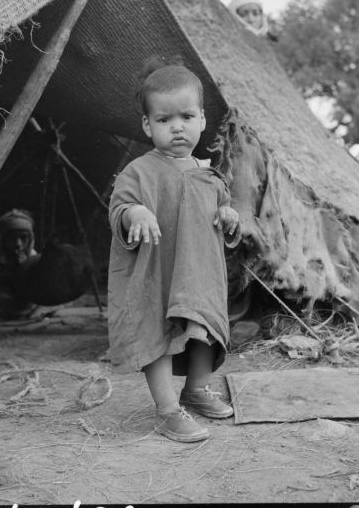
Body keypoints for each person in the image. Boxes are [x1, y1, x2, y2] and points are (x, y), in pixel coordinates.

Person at [108, 59, 241, 443]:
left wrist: (227, 213)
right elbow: (119, 207)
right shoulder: (139, 171)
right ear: (148, 126)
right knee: (160, 335)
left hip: (199, 275)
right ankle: (168, 411)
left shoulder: (210, 175)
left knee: (205, 331)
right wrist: (135, 212)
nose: (177, 126)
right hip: (159, 275)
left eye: (186, 116)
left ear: (202, 119)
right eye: (164, 120)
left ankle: (197, 391)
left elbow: (218, 210)